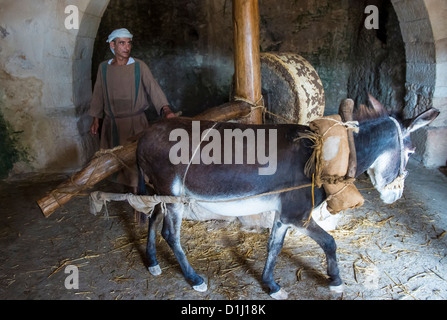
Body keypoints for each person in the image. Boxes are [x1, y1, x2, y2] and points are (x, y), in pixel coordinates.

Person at [88, 28, 175, 205]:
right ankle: (130, 195)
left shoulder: (139, 66)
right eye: (122, 43)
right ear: (112, 45)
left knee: (136, 163)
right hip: (112, 125)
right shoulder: (104, 69)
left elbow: (153, 88)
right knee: (117, 162)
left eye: (129, 43)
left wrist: (166, 110)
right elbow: (98, 93)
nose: (127, 47)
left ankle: (137, 200)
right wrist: (96, 118)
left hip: (135, 123)